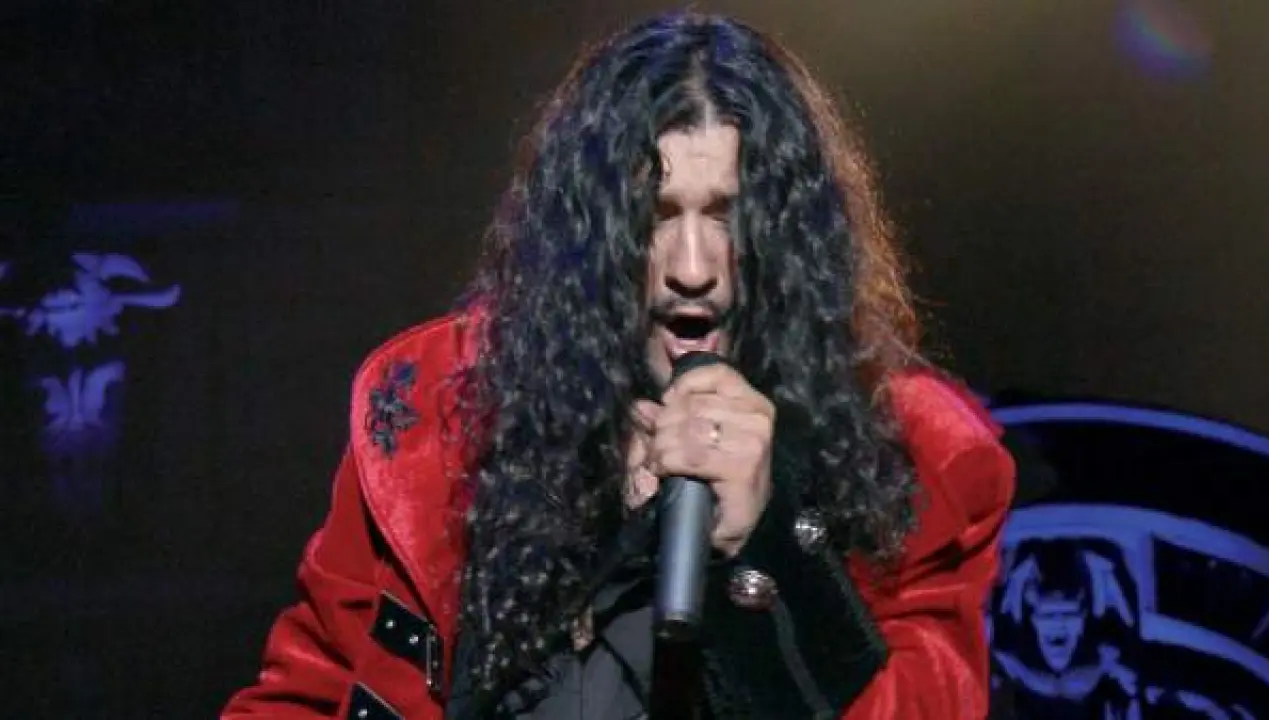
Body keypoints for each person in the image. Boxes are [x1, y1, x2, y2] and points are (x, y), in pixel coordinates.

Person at [222, 11, 1014, 720]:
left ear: (788, 235)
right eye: (655, 216)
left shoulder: (916, 454)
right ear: (590, 231)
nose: (693, 268)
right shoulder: (436, 411)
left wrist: (767, 548)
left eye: (728, 216)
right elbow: (307, 688)